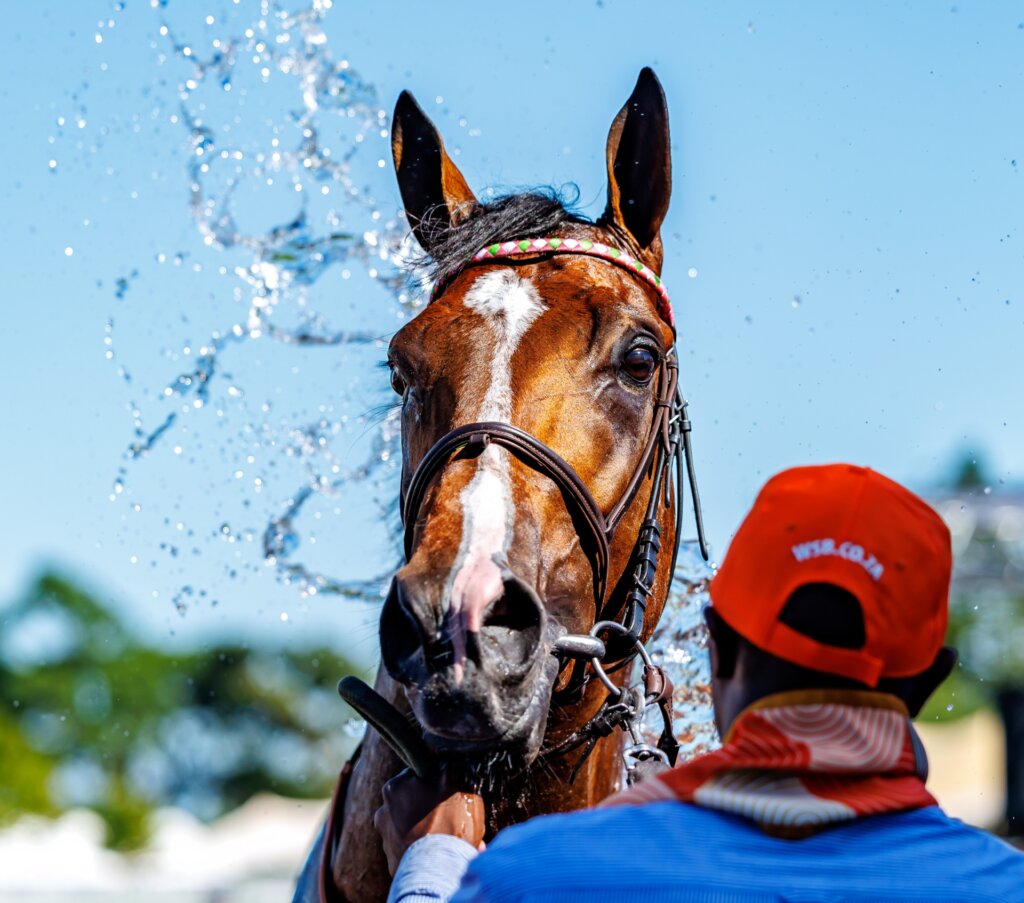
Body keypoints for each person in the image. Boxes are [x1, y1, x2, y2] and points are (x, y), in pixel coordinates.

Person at [374, 463, 1024, 903]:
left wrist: (431, 864)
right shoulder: (1004, 883)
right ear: (932, 680)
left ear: (714, 646)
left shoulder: (537, 874)